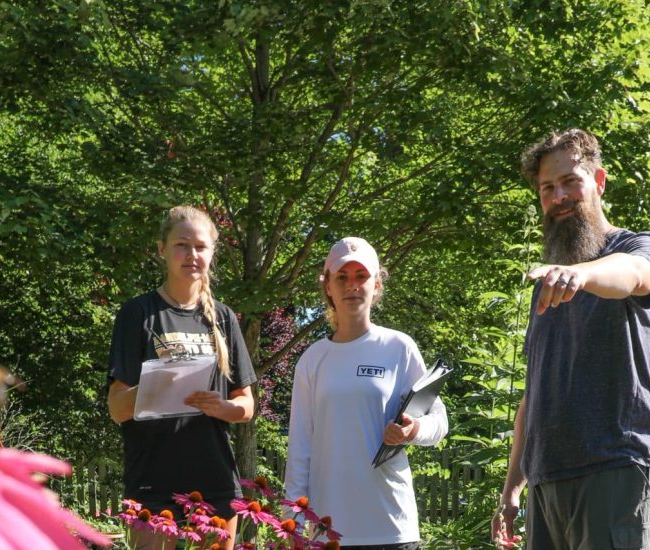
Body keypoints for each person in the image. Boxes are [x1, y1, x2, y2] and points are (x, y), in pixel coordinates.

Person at [493, 129, 650, 550]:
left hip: (612, 471)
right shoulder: (549, 283)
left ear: (599, 181)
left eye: (571, 181)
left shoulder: (637, 246)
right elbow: (534, 393)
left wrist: (580, 275)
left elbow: (634, 275)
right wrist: (512, 488)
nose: (559, 196)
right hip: (546, 483)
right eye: (547, 188)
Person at [107, 205, 257, 550]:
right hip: (152, 484)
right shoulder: (138, 313)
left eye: (201, 247)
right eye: (181, 245)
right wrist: (157, 385)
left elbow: (247, 406)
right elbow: (116, 408)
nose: (192, 255)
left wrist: (222, 408)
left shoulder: (224, 317)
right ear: (162, 249)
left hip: (215, 481)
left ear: (212, 252)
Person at [285, 237, 449, 549]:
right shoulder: (312, 359)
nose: (352, 285)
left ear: (376, 285)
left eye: (361, 276)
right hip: (328, 531)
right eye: (342, 277)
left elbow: (439, 421)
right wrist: (293, 522)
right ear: (328, 287)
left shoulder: (399, 347)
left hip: (391, 527)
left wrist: (413, 430)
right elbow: (299, 450)